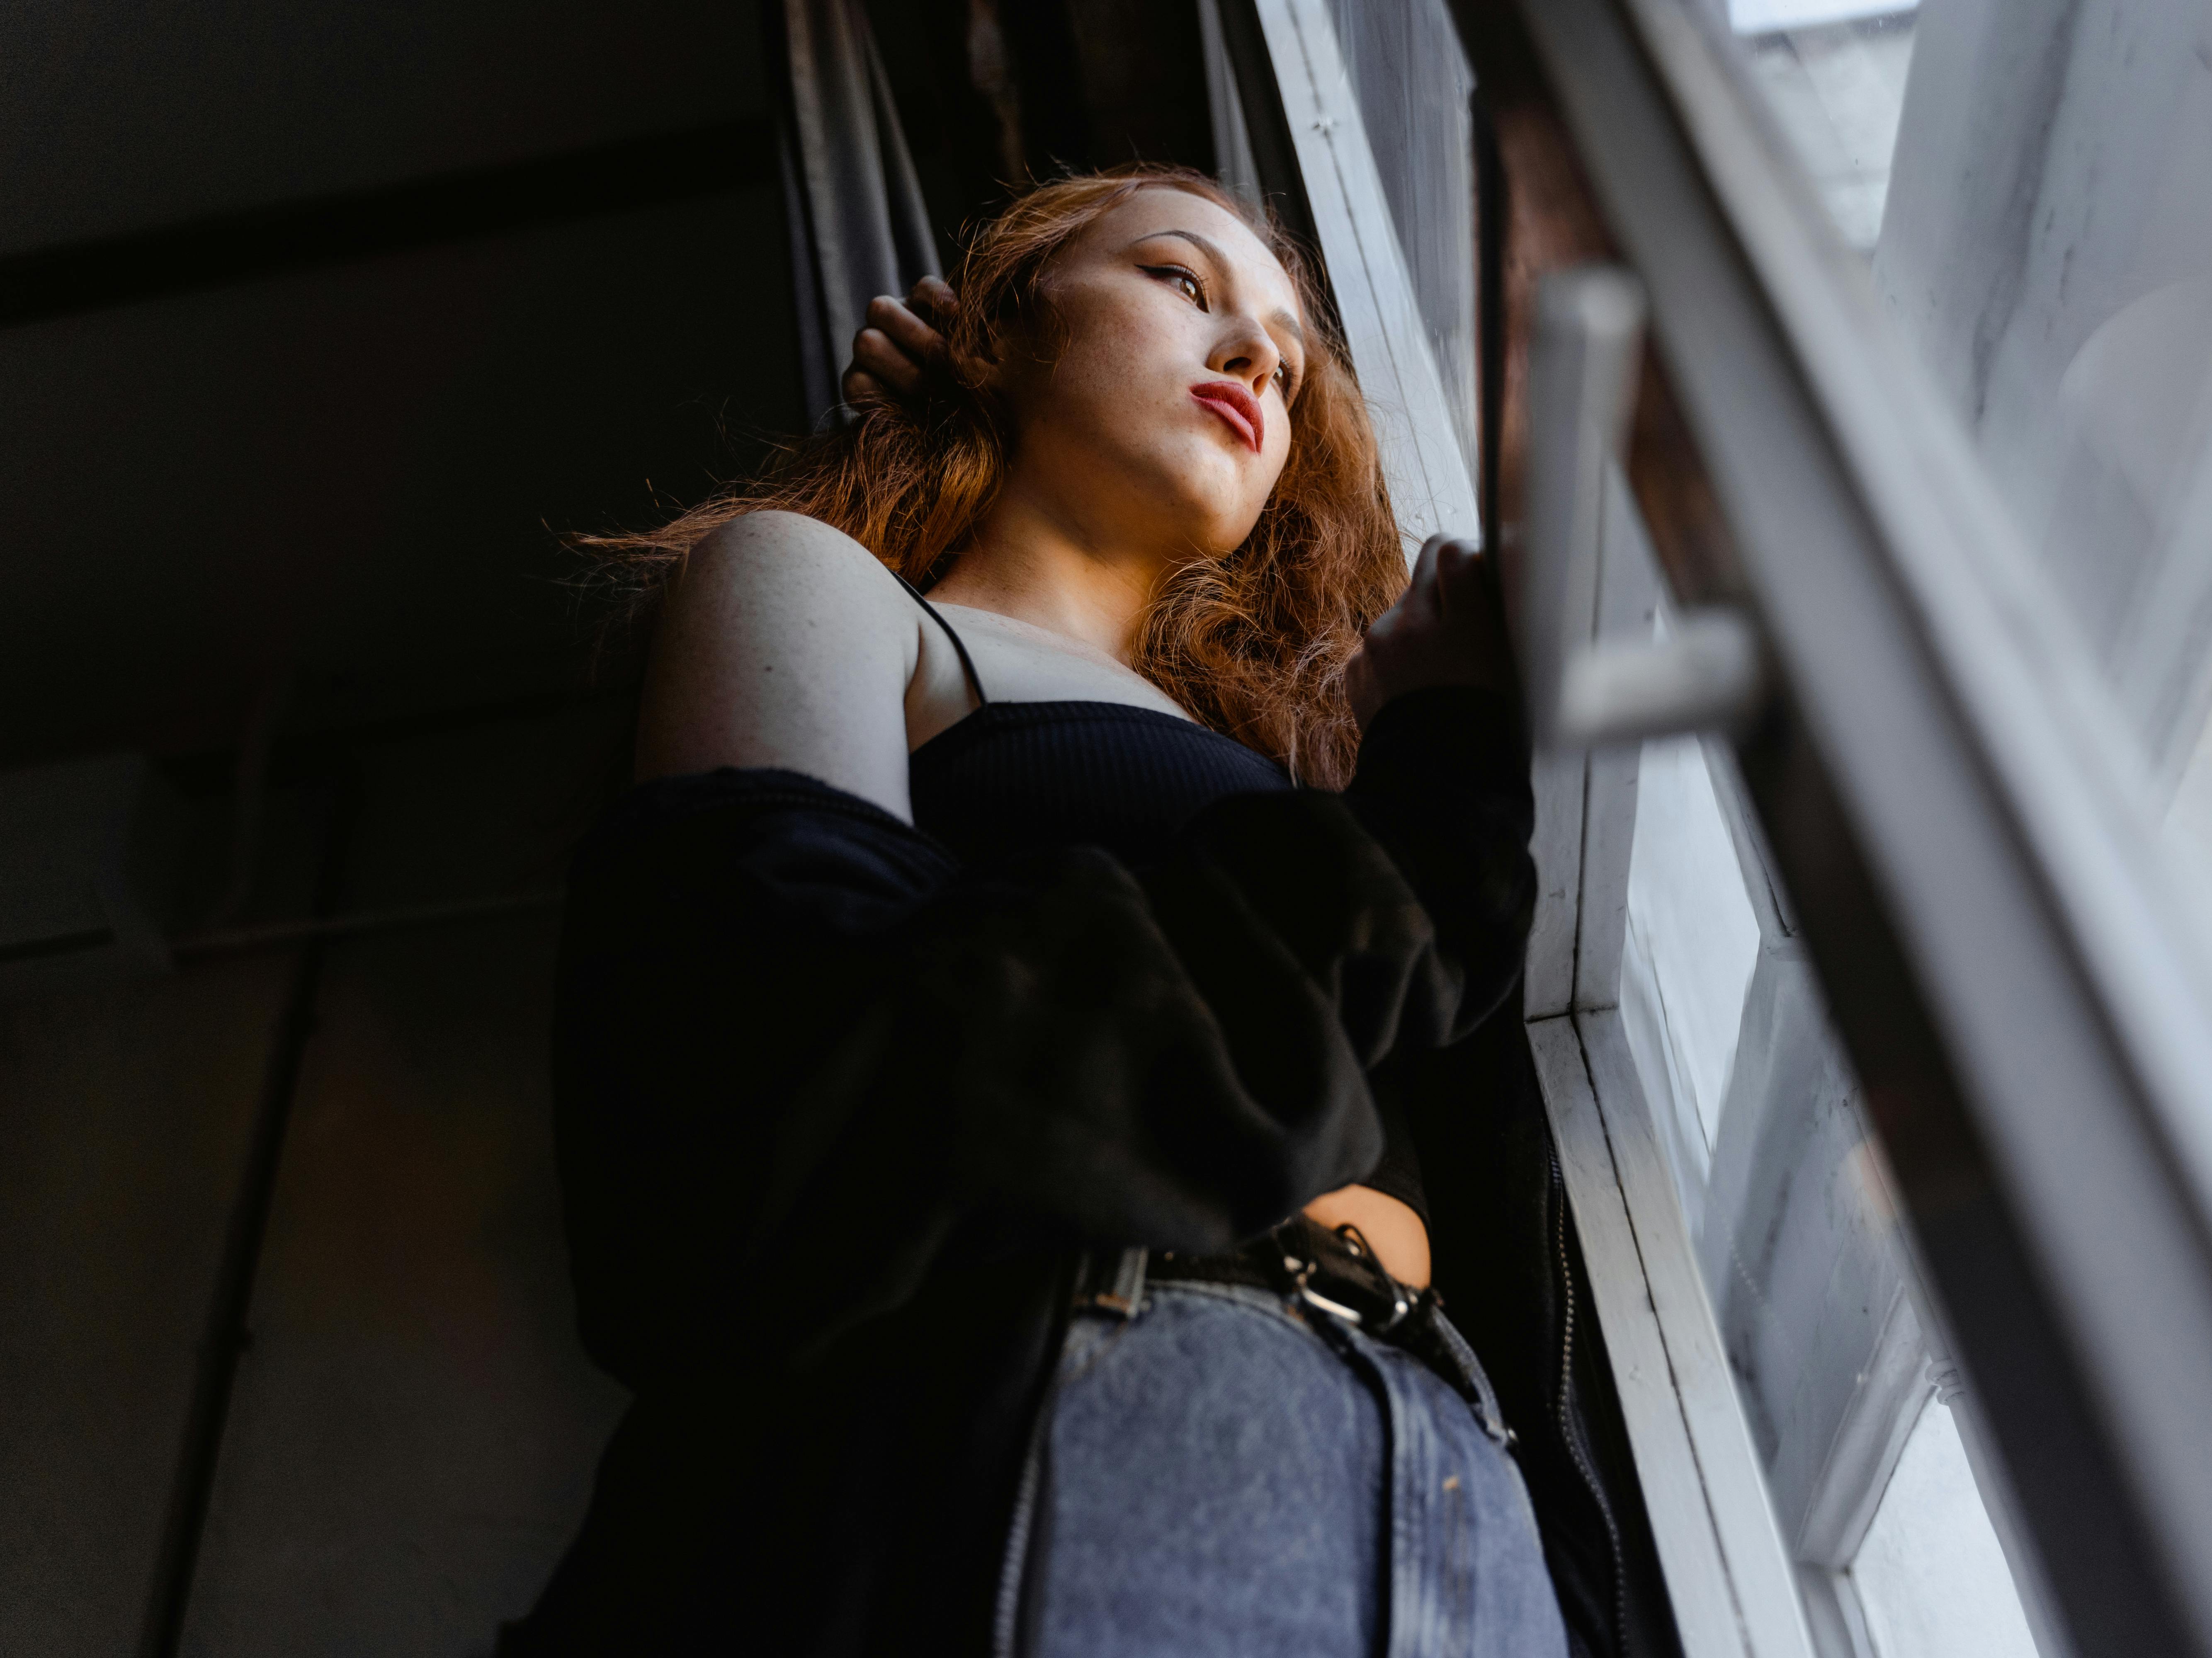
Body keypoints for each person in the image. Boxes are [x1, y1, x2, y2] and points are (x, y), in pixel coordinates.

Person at [502, 165, 1573, 1656]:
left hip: (1459, 1502)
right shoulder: (826, 593)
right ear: (992, 331)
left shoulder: (1301, 777)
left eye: (1287, 349)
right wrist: (1433, 808)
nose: (1259, 352)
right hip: (1099, 1423)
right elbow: (764, 1084)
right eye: (1182, 285)